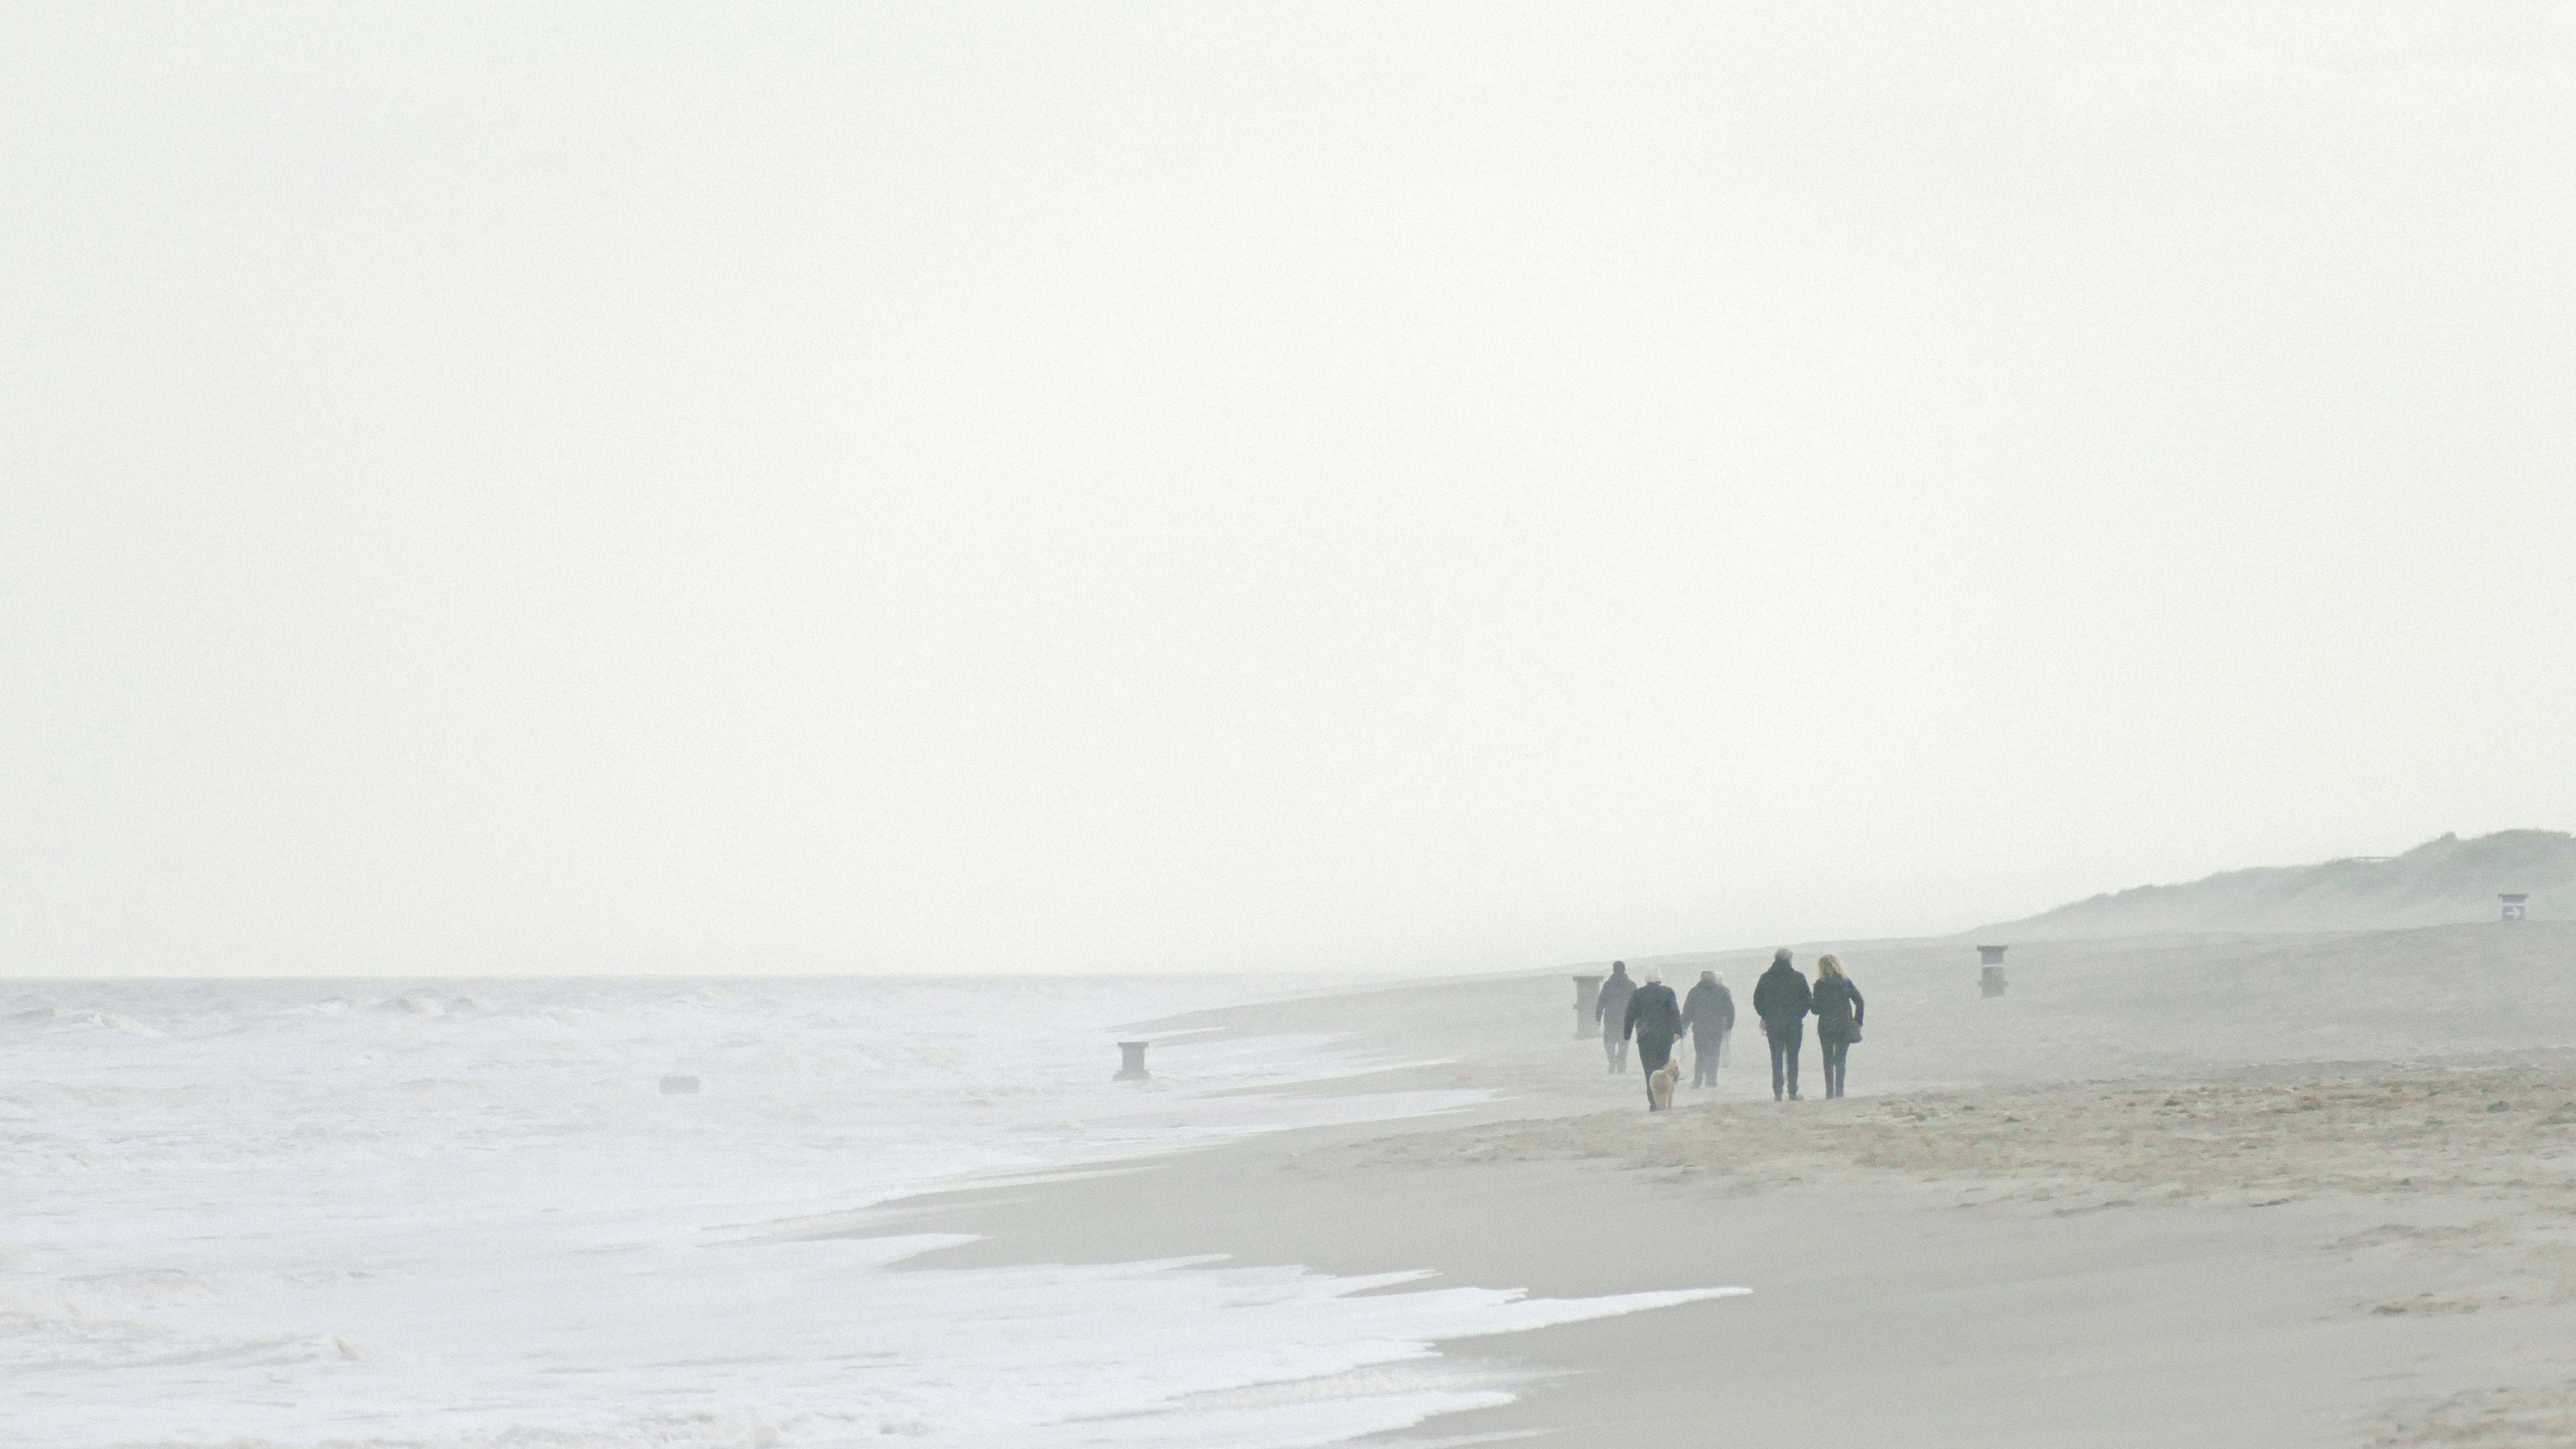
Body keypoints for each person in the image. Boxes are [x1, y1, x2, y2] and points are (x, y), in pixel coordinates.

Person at [1752, 949, 1812, 1102]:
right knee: (1793, 1057)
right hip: (1794, 1023)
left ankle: (1778, 1093)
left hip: (1773, 1024)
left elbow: (1758, 1001)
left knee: (1776, 1057)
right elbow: (1807, 1000)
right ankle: (1792, 1092)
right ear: (1790, 960)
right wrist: (1799, 1014)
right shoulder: (1798, 977)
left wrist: (1765, 1016)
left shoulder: (1766, 978)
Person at [1622, 966, 1684, 1109]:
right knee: (1664, 1070)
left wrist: (1627, 1034)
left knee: (1650, 1072)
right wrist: (1678, 1031)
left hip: (1646, 1037)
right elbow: (1675, 1012)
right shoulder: (1668, 992)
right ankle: (1666, 1101)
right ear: (1659, 978)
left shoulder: (1638, 994)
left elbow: (1630, 1015)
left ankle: (1654, 1103)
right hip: (1665, 1038)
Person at [1812, 954, 1866, 1099]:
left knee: (1828, 1059)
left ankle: (1829, 1093)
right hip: (1844, 1026)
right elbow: (1860, 1002)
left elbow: (1815, 1010)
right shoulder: (1845, 983)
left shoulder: (1820, 985)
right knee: (1841, 1060)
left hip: (1826, 1026)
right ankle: (1840, 1092)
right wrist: (1857, 1022)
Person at [1682, 969, 1734, 1088]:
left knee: (1700, 1055)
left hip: (1699, 1030)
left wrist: (1683, 1026)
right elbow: (1730, 1010)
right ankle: (1711, 1081)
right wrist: (1729, 1025)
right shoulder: (1722, 991)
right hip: (1716, 1029)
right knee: (1714, 1055)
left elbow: (1687, 1012)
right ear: (1713, 979)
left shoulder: (1694, 992)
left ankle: (1697, 1081)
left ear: (1701, 979)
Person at [1595, 962, 1636, 1073]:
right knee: (1624, 1042)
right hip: (1626, 1019)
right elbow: (1636, 1005)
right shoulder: (1632, 985)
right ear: (1624, 969)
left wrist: (1598, 1016)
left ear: (1614, 970)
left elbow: (1601, 1002)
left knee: (1609, 1042)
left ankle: (1612, 1061)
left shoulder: (1608, 985)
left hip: (1611, 1019)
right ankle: (1621, 1063)